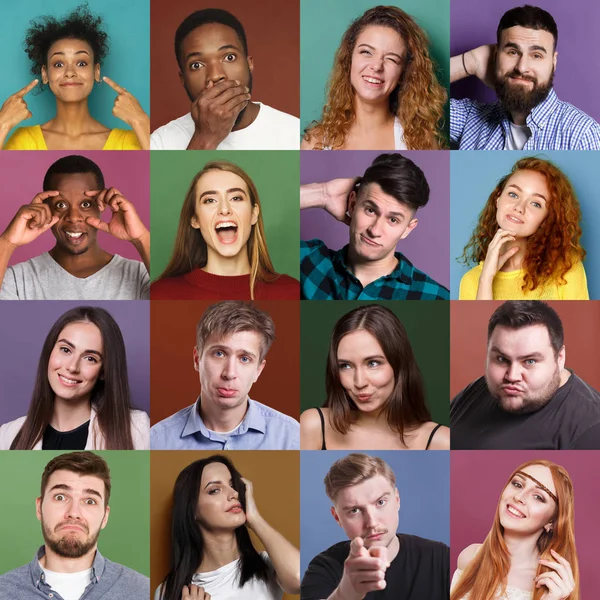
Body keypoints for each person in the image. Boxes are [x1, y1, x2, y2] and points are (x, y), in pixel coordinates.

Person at [451, 300, 600, 449]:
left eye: (530, 361)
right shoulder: (477, 390)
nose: (512, 376)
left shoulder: (589, 428)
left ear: (559, 358)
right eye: (502, 359)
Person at [150, 301, 299, 450]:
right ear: (197, 359)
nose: (230, 373)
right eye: (219, 354)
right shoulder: (156, 440)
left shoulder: (291, 437)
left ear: (258, 370)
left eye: (244, 359)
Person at [0, 451, 149, 599]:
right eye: (60, 497)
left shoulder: (142, 591)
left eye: (90, 501)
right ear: (39, 508)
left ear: (105, 517)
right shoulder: (4, 590)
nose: (74, 512)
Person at [0, 154, 150, 300]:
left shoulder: (140, 275)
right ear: (45, 208)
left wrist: (140, 238)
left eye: (85, 204)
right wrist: (7, 242)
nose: (73, 217)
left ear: (101, 205)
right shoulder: (17, 280)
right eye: (61, 204)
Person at [300, 153, 448, 300]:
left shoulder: (437, 298)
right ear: (352, 204)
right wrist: (323, 194)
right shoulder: (307, 261)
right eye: (370, 210)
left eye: (393, 220)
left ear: (408, 229)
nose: (375, 231)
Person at [301, 453, 449, 600]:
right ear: (337, 517)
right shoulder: (324, 568)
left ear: (397, 499)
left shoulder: (441, 557)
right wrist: (345, 594)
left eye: (380, 502)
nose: (372, 523)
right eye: (355, 511)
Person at [450, 5, 600, 150]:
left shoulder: (583, 134)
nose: (521, 68)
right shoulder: (470, 118)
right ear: (495, 56)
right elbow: (426, 100)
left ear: (553, 62)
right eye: (513, 52)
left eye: (536, 55)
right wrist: (471, 62)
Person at [0, 4, 149, 150]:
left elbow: (164, 175)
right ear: (45, 74)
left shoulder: (127, 142)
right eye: (58, 64)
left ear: (96, 71)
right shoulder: (23, 141)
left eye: (81, 63)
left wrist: (141, 121)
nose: (70, 72)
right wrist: (2, 123)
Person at [301, 304, 448, 450]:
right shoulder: (315, 425)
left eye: (373, 363)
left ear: (399, 364)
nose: (359, 382)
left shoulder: (440, 441)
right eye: (346, 366)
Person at [0, 306, 149, 450]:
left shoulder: (136, 428)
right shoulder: (8, 434)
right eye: (65, 350)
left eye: (90, 358)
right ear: (50, 352)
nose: (72, 367)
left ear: (104, 371)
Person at [150, 8, 299, 150]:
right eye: (196, 65)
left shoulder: (294, 134)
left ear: (249, 64)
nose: (216, 75)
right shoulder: (160, 142)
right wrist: (205, 138)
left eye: (229, 57)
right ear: (183, 79)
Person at [155, 455, 300, 600]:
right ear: (191, 509)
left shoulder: (266, 565)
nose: (234, 493)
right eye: (215, 490)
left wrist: (255, 519)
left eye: (232, 485)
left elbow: (299, 578)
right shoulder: (169, 591)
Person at [302, 5, 446, 150]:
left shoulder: (421, 143)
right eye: (366, 52)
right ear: (349, 59)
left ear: (404, 72)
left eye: (392, 59)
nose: (377, 66)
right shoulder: (315, 143)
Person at [151, 160, 299, 300]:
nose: (224, 209)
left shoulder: (292, 291)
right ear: (195, 219)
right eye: (210, 200)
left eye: (236, 198)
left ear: (254, 214)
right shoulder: (161, 293)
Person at [458, 157, 588, 300]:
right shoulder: (471, 280)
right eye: (513, 194)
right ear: (498, 199)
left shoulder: (566, 267)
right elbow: (478, 323)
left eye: (536, 204)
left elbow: (582, 322)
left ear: (547, 217)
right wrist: (486, 279)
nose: (519, 208)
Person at [451, 460, 578, 600]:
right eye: (517, 484)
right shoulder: (471, 557)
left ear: (552, 522)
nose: (518, 497)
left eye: (538, 497)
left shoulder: (553, 585)